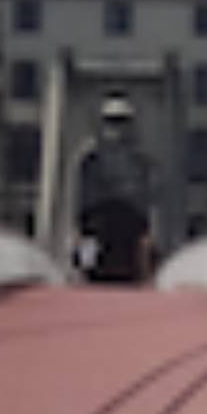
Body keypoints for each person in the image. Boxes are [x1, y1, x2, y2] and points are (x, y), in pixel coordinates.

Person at [73, 96, 157, 287]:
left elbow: (147, 199)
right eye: (112, 121)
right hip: (98, 221)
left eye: (121, 121)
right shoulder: (90, 158)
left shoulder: (141, 161)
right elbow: (81, 197)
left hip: (127, 225)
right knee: (88, 256)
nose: (116, 127)